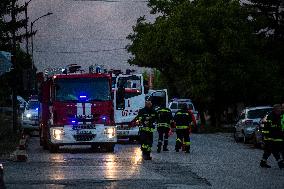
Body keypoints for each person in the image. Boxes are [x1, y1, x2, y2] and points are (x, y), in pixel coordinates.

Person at [260, 104, 284, 168]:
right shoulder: (270, 116)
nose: (281, 110)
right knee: (275, 150)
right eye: (279, 109)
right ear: (275, 110)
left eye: (281, 109)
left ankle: (263, 162)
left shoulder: (277, 115)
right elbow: (266, 127)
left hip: (273, 137)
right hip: (270, 138)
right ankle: (280, 163)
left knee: (268, 151)